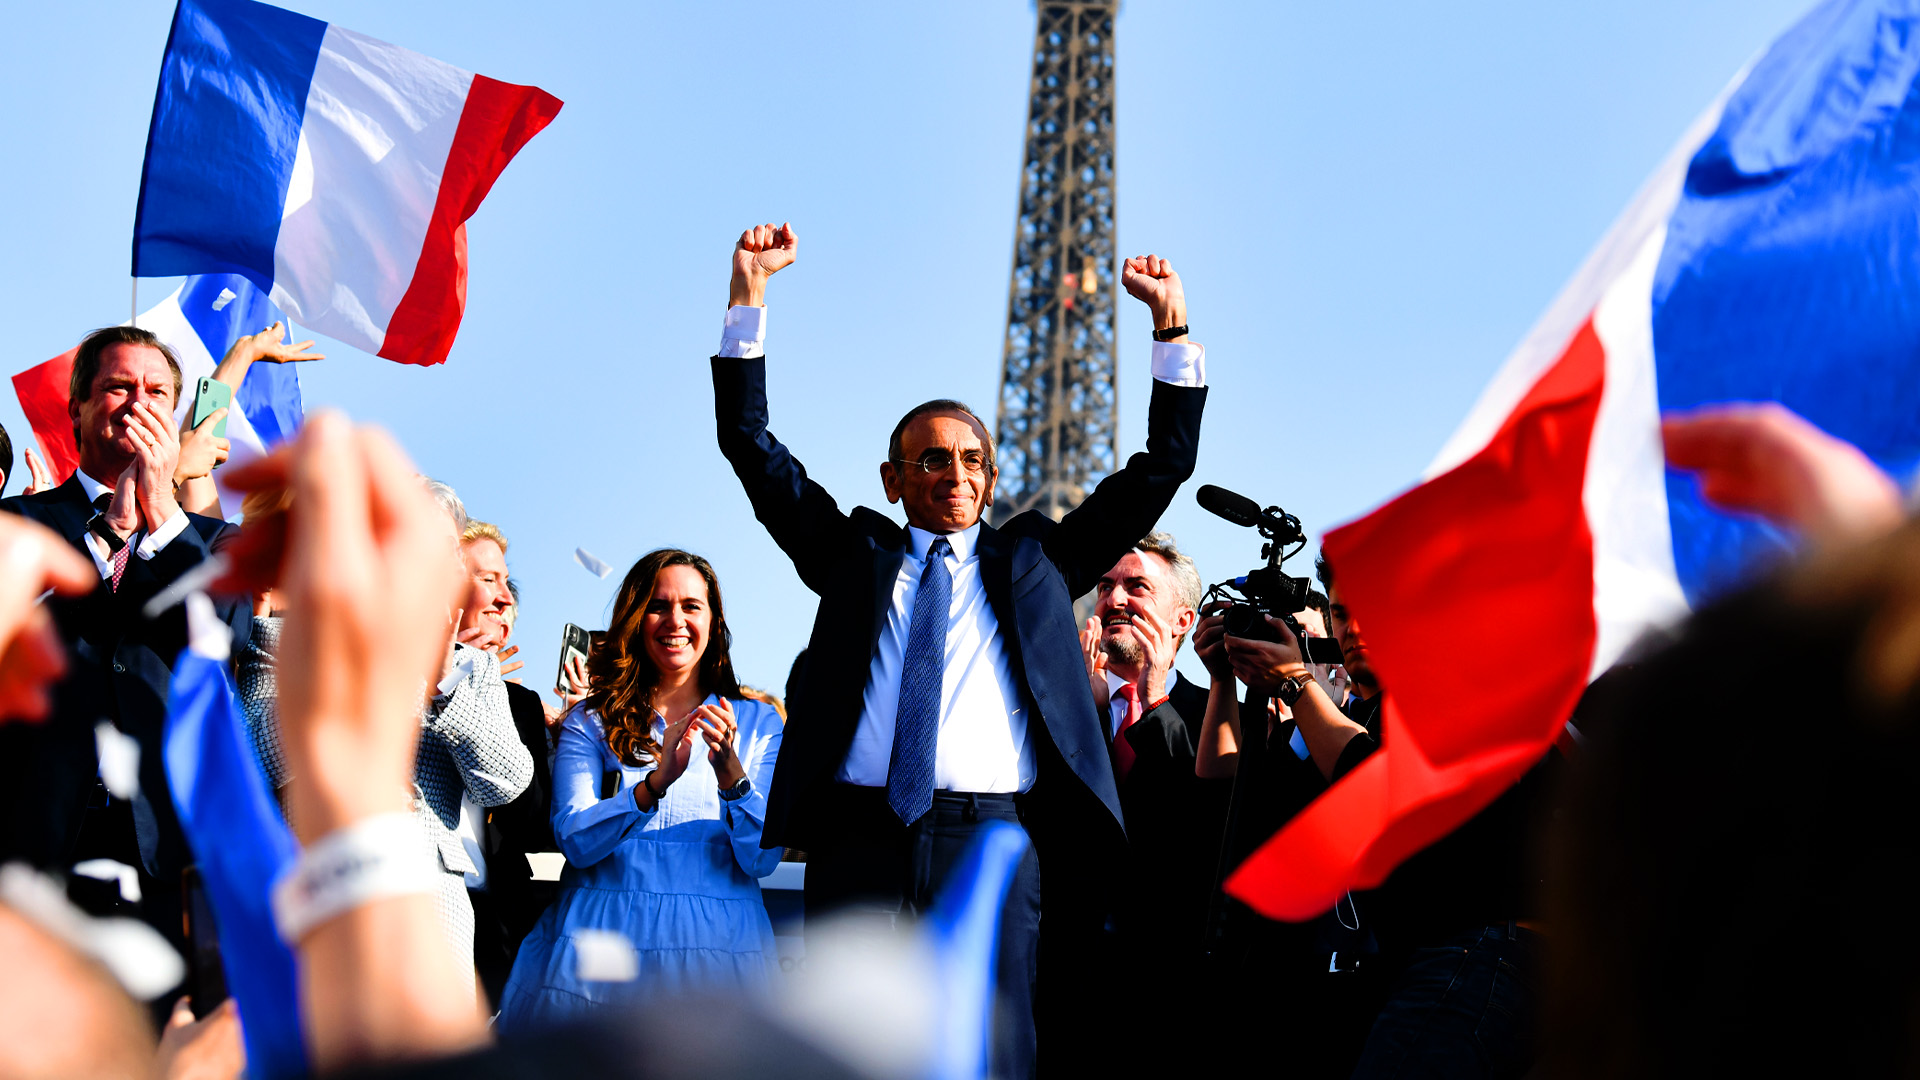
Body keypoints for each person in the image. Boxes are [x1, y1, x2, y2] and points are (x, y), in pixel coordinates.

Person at [709, 222, 1207, 1077]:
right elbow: (750, 448)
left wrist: (1171, 327)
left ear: (992, 476)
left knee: (992, 1051)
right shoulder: (853, 556)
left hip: (994, 839)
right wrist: (748, 298)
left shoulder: (1038, 562)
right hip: (860, 838)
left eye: (974, 459)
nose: (957, 474)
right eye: (933, 459)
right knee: (850, 1050)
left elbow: (1164, 463)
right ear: (893, 479)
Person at [0, 326, 249, 958]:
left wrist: (162, 513)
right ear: (76, 408)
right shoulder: (15, 525)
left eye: (157, 392)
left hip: (170, 853)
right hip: (31, 841)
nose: (139, 403)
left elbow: (221, 639)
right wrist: (105, 538)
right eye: (118, 386)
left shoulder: (218, 544)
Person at [497, 549, 784, 1028]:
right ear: (635, 619)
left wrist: (731, 776)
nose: (676, 620)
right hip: (601, 946)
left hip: (717, 949)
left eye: (692, 606)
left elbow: (761, 858)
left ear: (714, 622)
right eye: (658, 605)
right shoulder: (591, 720)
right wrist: (654, 785)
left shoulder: (759, 723)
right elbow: (574, 839)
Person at [458, 521, 558, 1010]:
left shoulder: (521, 704)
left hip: (495, 926)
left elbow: (532, 821)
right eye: (487, 579)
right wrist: (455, 676)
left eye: (506, 583)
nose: (504, 598)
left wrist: (488, 695)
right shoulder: (393, 679)